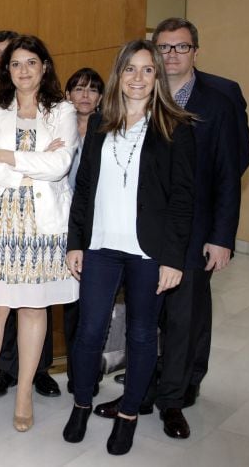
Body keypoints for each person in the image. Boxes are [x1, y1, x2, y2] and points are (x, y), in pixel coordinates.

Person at [93, 18, 242, 441]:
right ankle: (138, 395)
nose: (173, 54)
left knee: (183, 318)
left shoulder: (219, 99)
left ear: (196, 50)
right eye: (165, 47)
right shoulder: (139, 97)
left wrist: (222, 235)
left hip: (193, 230)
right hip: (140, 233)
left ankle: (173, 400)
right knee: (145, 320)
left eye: (182, 47)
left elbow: (231, 170)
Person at [62, 39, 196, 455]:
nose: (137, 79)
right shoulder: (101, 125)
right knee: (88, 331)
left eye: (147, 70)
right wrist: (75, 243)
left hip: (148, 253)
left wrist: (173, 259)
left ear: (157, 77)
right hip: (100, 246)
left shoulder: (175, 129)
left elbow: (182, 200)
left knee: (141, 335)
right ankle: (82, 402)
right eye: (130, 70)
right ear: (119, 75)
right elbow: (83, 190)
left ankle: (129, 414)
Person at [0, 35, 79, 440]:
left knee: (33, 310)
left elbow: (61, 163)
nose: (24, 70)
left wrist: (9, 157)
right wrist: (33, 166)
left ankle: (24, 394)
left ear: (44, 66)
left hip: (44, 225)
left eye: (32, 62)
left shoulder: (62, 109)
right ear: (5, 70)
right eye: (15, 64)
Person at [62, 67, 105, 394]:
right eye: (78, 89)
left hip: (98, 228)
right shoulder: (59, 129)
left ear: (101, 97)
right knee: (67, 302)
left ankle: (86, 375)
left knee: (92, 302)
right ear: (67, 95)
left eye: (92, 89)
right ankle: (75, 372)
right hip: (61, 227)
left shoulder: (110, 131)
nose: (85, 95)